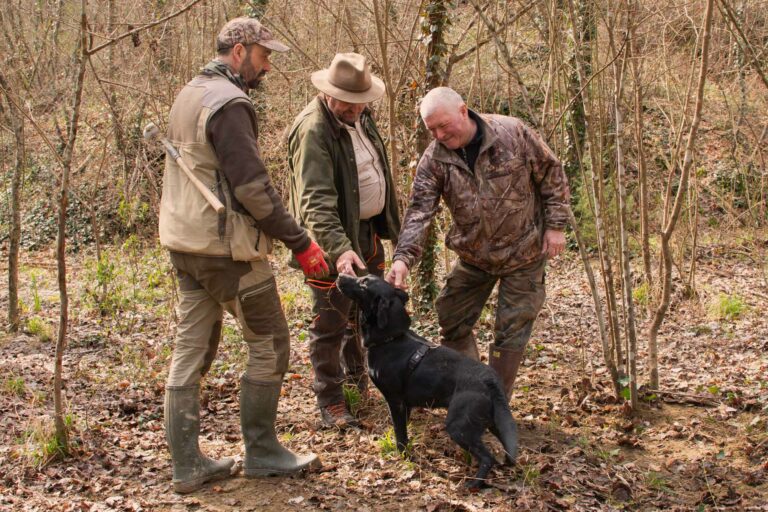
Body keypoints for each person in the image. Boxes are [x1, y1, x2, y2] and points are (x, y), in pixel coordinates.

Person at [159, 17, 328, 494]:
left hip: (184, 244)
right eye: (264, 54)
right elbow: (253, 189)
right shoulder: (230, 104)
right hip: (226, 250)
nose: (267, 65)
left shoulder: (189, 93)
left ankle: (187, 465)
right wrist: (300, 242)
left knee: (189, 350)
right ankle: (262, 451)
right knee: (270, 341)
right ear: (239, 50)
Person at [386, 86, 570, 399]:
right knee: (451, 315)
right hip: (474, 257)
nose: (440, 134)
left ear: (463, 111)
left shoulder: (512, 133)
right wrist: (403, 259)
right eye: (432, 129)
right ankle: (470, 392)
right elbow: (419, 212)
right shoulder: (434, 160)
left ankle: (494, 403)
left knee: (511, 329)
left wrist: (556, 225)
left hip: (524, 253)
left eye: (444, 125)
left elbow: (551, 173)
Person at [287, 53, 401, 428]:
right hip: (327, 243)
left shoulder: (361, 117)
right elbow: (315, 201)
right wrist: (339, 249)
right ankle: (331, 401)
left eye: (360, 100)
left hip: (367, 233)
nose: (355, 108)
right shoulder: (313, 130)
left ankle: (358, 382)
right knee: (331, 319)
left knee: (365, 312)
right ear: (329, 93)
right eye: (348, 101)